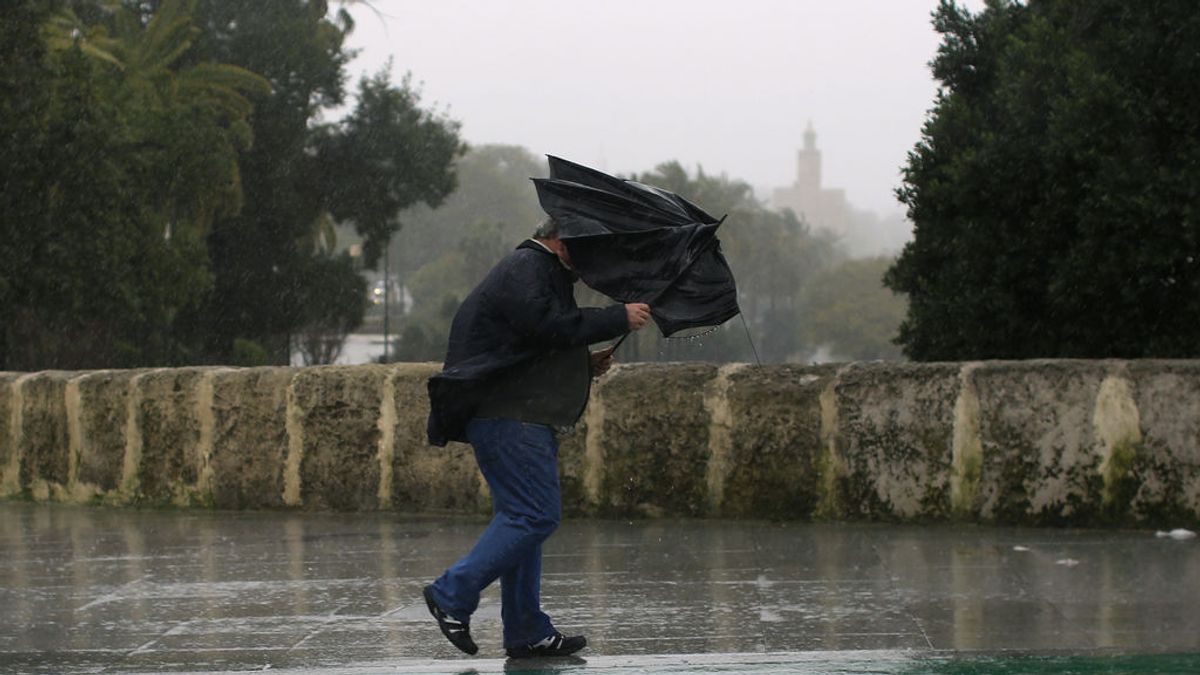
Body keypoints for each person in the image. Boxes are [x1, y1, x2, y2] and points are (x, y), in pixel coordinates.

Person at [423, 216, 651, 659]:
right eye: (587, 249)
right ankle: (452, 593)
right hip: (510, 416)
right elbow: (549, 326)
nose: (592, 263)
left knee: (522, 520)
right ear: (562, 240)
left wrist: (585, 365)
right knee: (534, 515)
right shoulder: (527, 266)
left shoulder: (539, 271)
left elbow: (525, 347)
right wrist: (616, 316)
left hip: (511, 412)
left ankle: (527, 630)